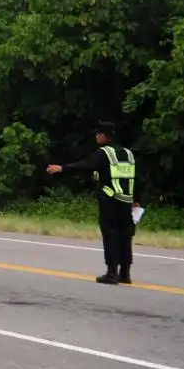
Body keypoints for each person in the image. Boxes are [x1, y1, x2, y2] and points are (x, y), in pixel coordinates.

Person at [46, 121, 143, 285]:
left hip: (110, 200)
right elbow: (136, 178)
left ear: (104, 136)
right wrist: (137, 200)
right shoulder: (128, 153)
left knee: (110, 235)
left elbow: (85, 166)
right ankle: (125, 274)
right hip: (127, 201)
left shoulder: (104, 153)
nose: (96, 136)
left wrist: (62, 168)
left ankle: (111, 273)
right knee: (125, 236)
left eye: (98, 133)